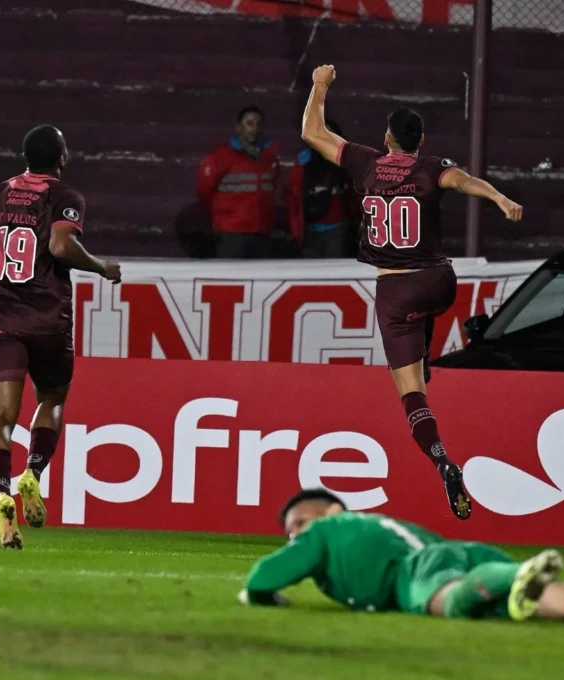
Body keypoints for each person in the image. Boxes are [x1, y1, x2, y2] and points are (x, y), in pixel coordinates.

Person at [299, 64, 524, 521]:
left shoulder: (366, 162)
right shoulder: (431, 167)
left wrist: (320, 85)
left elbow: (312, 133)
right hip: (439, 282)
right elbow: (464, 182)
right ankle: (424, 350)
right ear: (421, 141)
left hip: (395, 291)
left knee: (411, 393)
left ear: (387, 138)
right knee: (428, 305)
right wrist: (500, 198)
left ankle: (443, 462)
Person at [0, 125, 122, 549]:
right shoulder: (64, 197)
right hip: (48, 321)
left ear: (25, 157)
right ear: (62, 158)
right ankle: (33, 471)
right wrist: (101, 267)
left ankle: (1, 494)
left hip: (0, 323)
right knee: (52, 399)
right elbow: (62, 248)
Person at [239, 489, 564, 624]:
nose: (294, 535)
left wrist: (262, 597)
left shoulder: (329, 529)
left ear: (330, 510)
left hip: (419, 572)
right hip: (462, 554)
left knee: (450, 603)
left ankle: (514, 576)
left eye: (299, 522)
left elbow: (263, 576)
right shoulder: (384, 525)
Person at [196, 105, 280, 259]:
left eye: (259, 124)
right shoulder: (219, 156)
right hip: (231, 232)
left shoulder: (269, 156)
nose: (254, 129)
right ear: (238, 127)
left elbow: (272, 186)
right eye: (249, 124)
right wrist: (221, 220)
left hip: (262, 230)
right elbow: (204, 191)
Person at [289, 118, 361, 258]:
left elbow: (354, 194)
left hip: (338, 229)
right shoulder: (303, 160)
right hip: (309, 231)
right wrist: (295, 228)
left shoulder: (345, 160)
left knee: (335, 269)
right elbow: (294, 197)